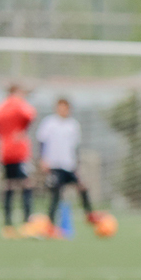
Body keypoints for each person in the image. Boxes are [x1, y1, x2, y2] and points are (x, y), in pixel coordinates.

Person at [0, 84, 36, 237]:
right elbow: (31, 114)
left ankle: (8, 225)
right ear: (15, 92)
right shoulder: (18, 104)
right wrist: (21, 130)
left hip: (5, 152)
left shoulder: (0, 108)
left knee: (9, 186)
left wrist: (2, 136)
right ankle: (27, 223)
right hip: (19, 151)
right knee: (26, 184)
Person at [37, 98, 96, 231]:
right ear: (56, 108)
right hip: (54, 165)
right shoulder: (49, 123)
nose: (63, 110)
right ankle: (50, 224)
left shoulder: (73, 125)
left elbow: (75, 147)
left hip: (69, 165)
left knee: (82, 187)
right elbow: (41, 142)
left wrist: (77, 165)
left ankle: (89, 215)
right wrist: (43, 159)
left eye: (65, 107)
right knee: (56, 193)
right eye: (60, 107)